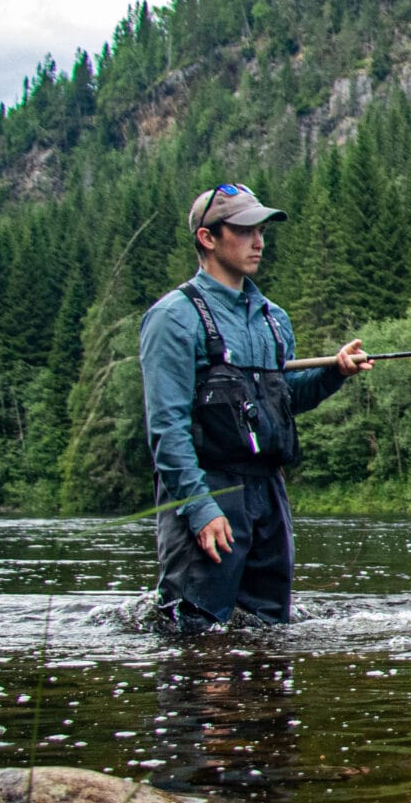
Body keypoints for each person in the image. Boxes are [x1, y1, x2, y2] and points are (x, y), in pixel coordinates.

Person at [140, 183, 371, 633]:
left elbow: (284, 400)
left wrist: (334, 373)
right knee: (197, 640)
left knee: (269, 636)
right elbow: (166, 429)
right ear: (208, 238)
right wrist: (201, 509)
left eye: (261, 229)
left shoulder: (273, 318)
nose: (259, 241)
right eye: (245, 230)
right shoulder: (173, 317)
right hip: (208, 490)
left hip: (269, 495)